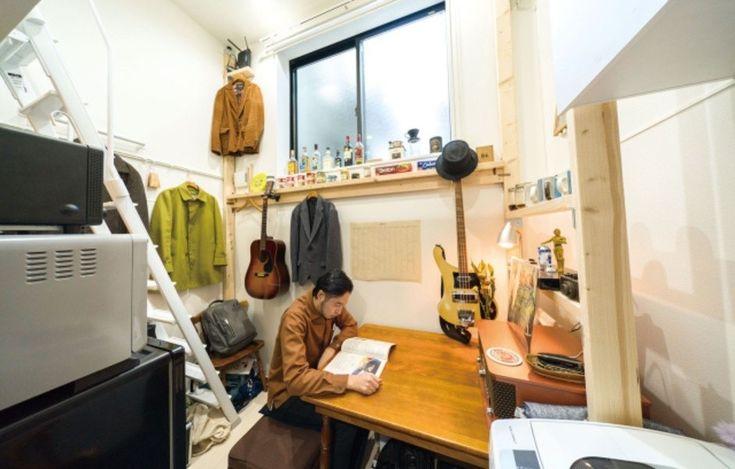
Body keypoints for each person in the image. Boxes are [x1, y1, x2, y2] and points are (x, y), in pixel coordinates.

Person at [265, 269, 380, 468]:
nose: (340, 311)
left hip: (314, 378)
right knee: (347, 421)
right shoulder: (295, 318)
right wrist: (348, 381)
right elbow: (295, 381)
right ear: (320, 296)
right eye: (338, 305)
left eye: (343, 305)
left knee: (361, 416)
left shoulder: (328, 305)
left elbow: (351, 325)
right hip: (287, 396)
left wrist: (332, 347)